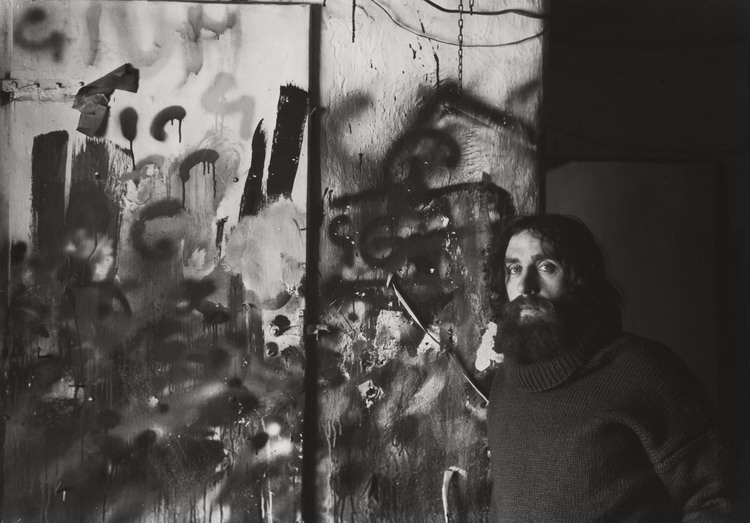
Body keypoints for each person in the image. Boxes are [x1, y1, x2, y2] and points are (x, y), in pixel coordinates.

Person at [487, 214, 736, 521]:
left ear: (580, 278)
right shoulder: (504, 384)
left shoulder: (643, 370)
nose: (525, 286)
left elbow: (719, 499)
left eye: (546, 266)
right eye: (514, 269)